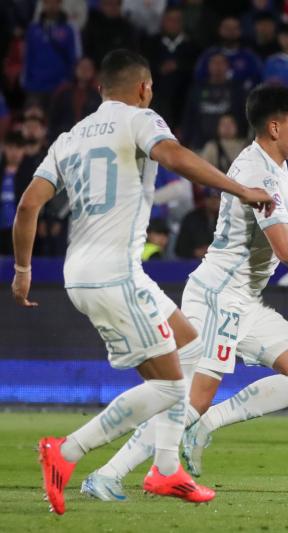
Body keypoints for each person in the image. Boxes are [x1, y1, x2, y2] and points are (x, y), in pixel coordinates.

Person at [11, 49, 273, 514]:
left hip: (86, 273)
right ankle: (66, 451)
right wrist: (242, 190)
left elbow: (28, 205)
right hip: (115, 275)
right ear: (144, 88)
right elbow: (172, 155)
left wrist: (23, 271)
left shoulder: (68, 138)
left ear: (99, 89)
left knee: (191, 347)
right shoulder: (140, 119)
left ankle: (167, 469)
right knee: (172, 387)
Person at [82, 85, 288, 495]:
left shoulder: (275, 167)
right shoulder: (255, 170)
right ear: (275, 127)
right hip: (220, 297)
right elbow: (285, 249)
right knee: (188, 400)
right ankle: (107, 474)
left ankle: (207, 425)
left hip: (244, 300)